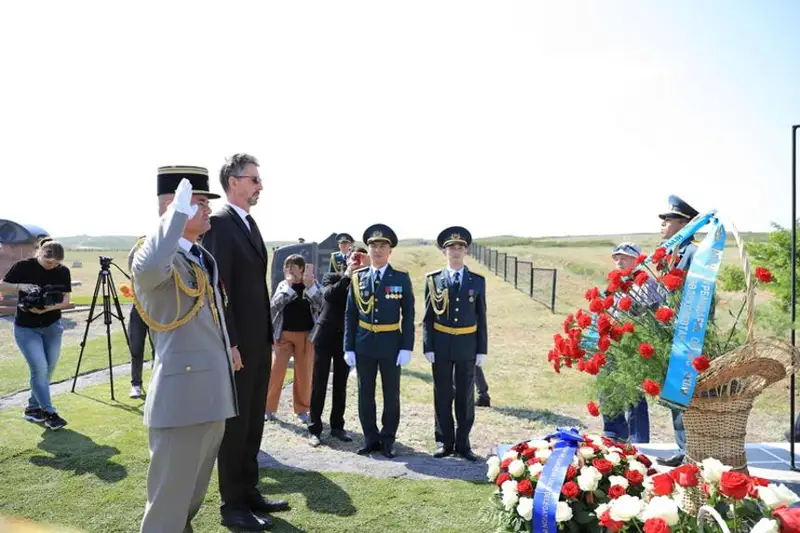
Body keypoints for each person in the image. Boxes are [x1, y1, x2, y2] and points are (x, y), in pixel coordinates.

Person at [130, 168, 238, 533]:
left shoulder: (199, 256)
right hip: (181, 398)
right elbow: (149, 271)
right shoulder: (153, 255)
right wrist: (174, 217)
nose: (208, 210)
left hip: (210, 393)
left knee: (189, 498)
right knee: (168, 504)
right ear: (172, 206)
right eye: (199, 203)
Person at [200, 153, 288, 531]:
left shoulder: (247, 223)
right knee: (236, 426)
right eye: (254, 179)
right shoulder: (221, 224)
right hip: (238, 346)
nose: (260, 186)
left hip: (258, 341)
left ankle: (249, 491)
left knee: (253, 421)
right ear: (233, 182)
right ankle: (232, 505)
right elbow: (219, 289)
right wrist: (231, 342)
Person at [344, 223, 415, 458]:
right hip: (364, 344)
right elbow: (351, 315)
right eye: (373, 246)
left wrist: (406, 347)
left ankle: (388, 439)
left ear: (390, 250)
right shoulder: (358, 278)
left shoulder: (400, 278)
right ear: (368, 249)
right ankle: (370, 438)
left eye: (383, 246)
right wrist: (349, 347)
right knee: (365, 393)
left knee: (391, 395)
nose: (377, 250)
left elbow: (408, 315)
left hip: (391, 344)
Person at [423, 226, 486, 462]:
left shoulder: (477, 281)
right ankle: (444, 442)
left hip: (467, 345)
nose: (456, 251)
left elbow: (482, 317)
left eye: (460, 247)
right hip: (441, 345)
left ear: (466, 251)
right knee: (442, 394)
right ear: (444, 251)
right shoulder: (434, 280)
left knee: (465, 397)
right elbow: (428, 317)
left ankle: (463, 443)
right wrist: (428, 346)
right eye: (451, 247)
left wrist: (481, 349)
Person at [0, 239, 72, 430]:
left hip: (52, 326)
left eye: (56, 263)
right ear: (40, 253)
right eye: (49, 262)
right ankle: (49, 412)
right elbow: (2, 285)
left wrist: (47, 308)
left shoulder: (63, 271)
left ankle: (32, 408)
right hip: (26, 328)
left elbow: (66, 301)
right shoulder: (23, 266)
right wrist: (20, 287)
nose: (52, 266)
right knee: (39, 368)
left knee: (48, 369)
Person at [654, 194, 699, 468]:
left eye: (669, 220)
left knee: (687, 391)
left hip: (687, 333)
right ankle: (684, 449)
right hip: (669, 331)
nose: (663, 224)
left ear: (684, 224)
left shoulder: (694, 253)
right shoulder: (671, 253)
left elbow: (700, 294)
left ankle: (693, 451)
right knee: (674, 392)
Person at [307, 245, 368, 447]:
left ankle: (337, 426)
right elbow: (329, 295)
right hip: (325, 337)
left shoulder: (366, 282)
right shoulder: (332, 277)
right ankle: (314, 428)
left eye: (361, 258)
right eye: (354, 258)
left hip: (346, 340)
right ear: (347, 259)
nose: (357, 262)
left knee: (341, 384)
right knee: (319, 383)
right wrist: (348, 274)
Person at [601, 242, 654, 444]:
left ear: (636, 260)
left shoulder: (646, 283)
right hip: (614, 342)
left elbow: (651, 317)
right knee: (608, 387)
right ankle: (614, 435)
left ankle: (638, 442)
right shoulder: (614, 284)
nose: (619, 261)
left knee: (635, 394)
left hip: (635, 343)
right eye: (616, 258)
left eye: (624, 257)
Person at [266, 254, 323, 423]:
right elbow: (274, 305)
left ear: (302, 268)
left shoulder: (312, 284)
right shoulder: (283, 285)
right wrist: (290, 288)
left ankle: (302, 409)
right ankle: (268, 408)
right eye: (287, 265)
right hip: (283, 335)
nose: (289, 269)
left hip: (306, 336)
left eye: (293, 266)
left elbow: (321, 305)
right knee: (276, 371)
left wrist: (310, 287)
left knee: (304, 374)